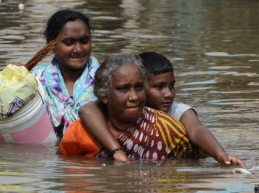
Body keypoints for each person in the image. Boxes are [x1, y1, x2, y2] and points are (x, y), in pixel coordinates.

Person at [78, 51, 245, 167]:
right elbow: (87, 110)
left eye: (172, 86)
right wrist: (116, 150)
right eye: (159, 87)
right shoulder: (120, 108)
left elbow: (197, 130)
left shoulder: (177, 112)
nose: (168, 94)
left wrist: (220, 154)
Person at [59, 53, 200, 161]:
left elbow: (194, 164)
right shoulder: (79, 133)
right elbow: (65, 171)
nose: (134, 97)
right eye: (123, 89)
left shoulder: (167, 129)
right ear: (104, 96)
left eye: (139, 87)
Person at [32, 9, 99, 138]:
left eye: (84, 41)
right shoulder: (36, 81)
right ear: (51, 45)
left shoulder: (106, 79)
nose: (78, 49)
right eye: (69, 43)